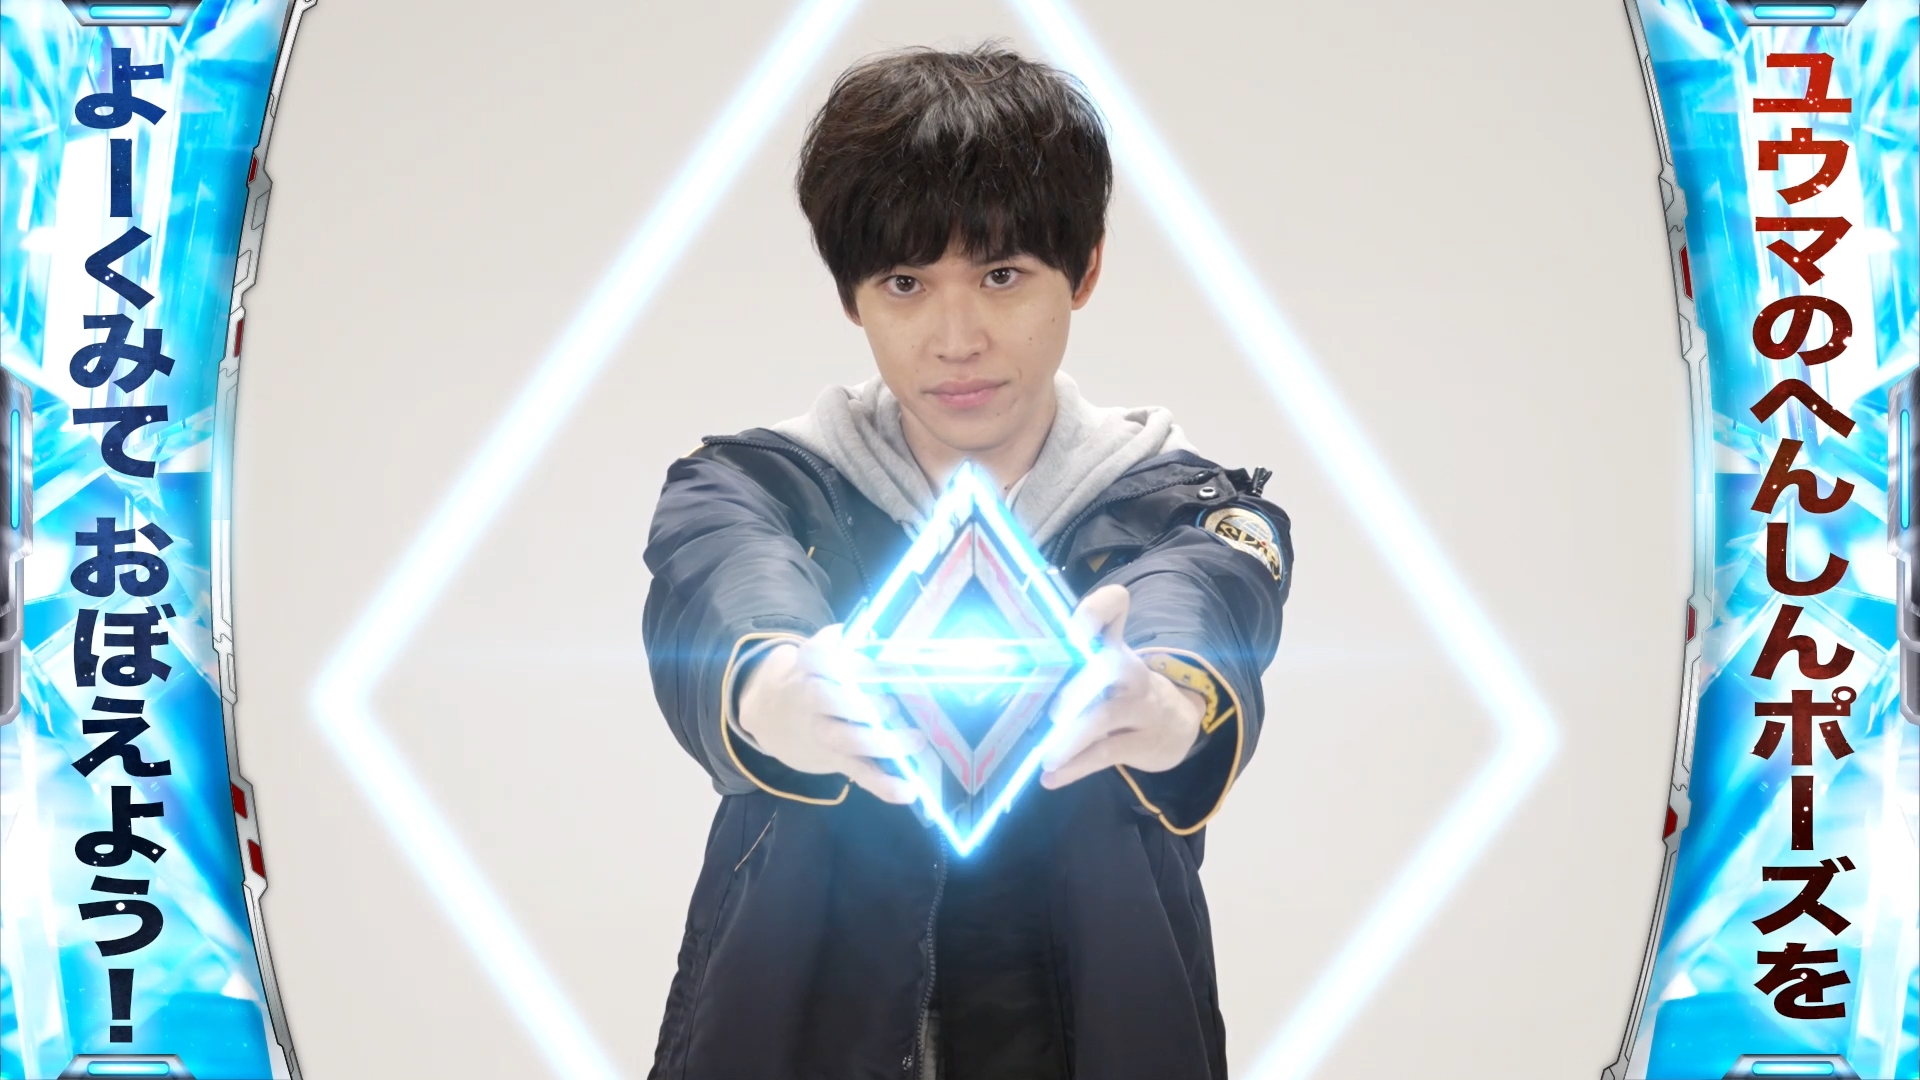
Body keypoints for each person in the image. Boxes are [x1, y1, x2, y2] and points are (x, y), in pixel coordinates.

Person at [642, 43, 1292, 1080]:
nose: (957, 338)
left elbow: (1201, 601)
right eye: (905, 282)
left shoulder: (1185, 507)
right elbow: (724, 586)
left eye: (1001, 275)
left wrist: (1170, 703)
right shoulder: (753, 487)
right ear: (851, 296)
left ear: (1084, 271)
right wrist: (771, 691)